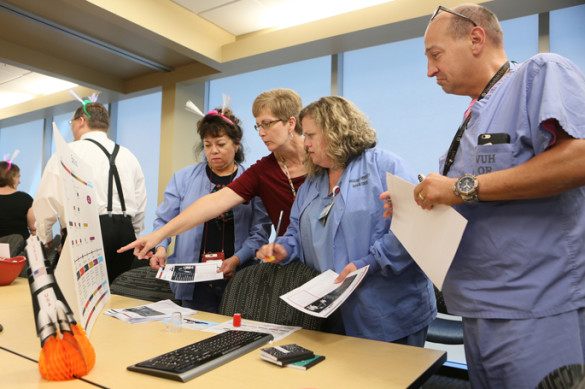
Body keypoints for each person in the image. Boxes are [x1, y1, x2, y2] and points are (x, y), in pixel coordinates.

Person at [380, 4, 585, 387]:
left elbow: (578, 159)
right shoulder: (475, 116)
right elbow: (474, 201)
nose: (430, 71)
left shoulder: (540, 73)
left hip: (534, 307)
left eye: (435, 54)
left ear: (476, 38)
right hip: (478, 307)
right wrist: (419, 204)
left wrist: (460, 188)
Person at [256, 96, 436, 345]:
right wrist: (282, 249)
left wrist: (369, 262)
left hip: (389, 310)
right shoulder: (312, 182)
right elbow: (296, 230)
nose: (304, 143)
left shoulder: (384, 166)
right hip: (334, 311)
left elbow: (412, 228)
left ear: (335, 131)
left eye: (310, 135)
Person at [119, 88, 307, 260]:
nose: (261, 133)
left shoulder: (322, 161)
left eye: (267, 124)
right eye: (259, 126)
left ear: (291, 123)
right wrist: (157, 237)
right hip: (291, 260)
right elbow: (214, 202)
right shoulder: (263, 172)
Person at [151, 107, 271, 312]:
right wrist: (160, 247)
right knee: (194, 334)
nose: (213, 150)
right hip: (194, 280)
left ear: (236, 145)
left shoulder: (252, 181)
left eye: (221, 144)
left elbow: (260, 232)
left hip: (238, 276)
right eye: (207, 145)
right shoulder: (183, 179)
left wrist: (236, 259)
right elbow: (164, 221)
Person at [34, 102, 147, 283]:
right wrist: (136, 235)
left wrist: (44, 236)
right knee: (115, 293)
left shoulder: (68, 151)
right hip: (125, 234)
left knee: (79, 297)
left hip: (86, 231)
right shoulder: (128, 155)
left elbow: (46, 198)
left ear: (80, 121)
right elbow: (140, 201)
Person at [0, 161, 36, 240]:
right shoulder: (25, 199)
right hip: (18, 249)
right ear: (11, 177)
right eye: (18, 177)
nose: (19, 181)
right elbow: (33, 228)